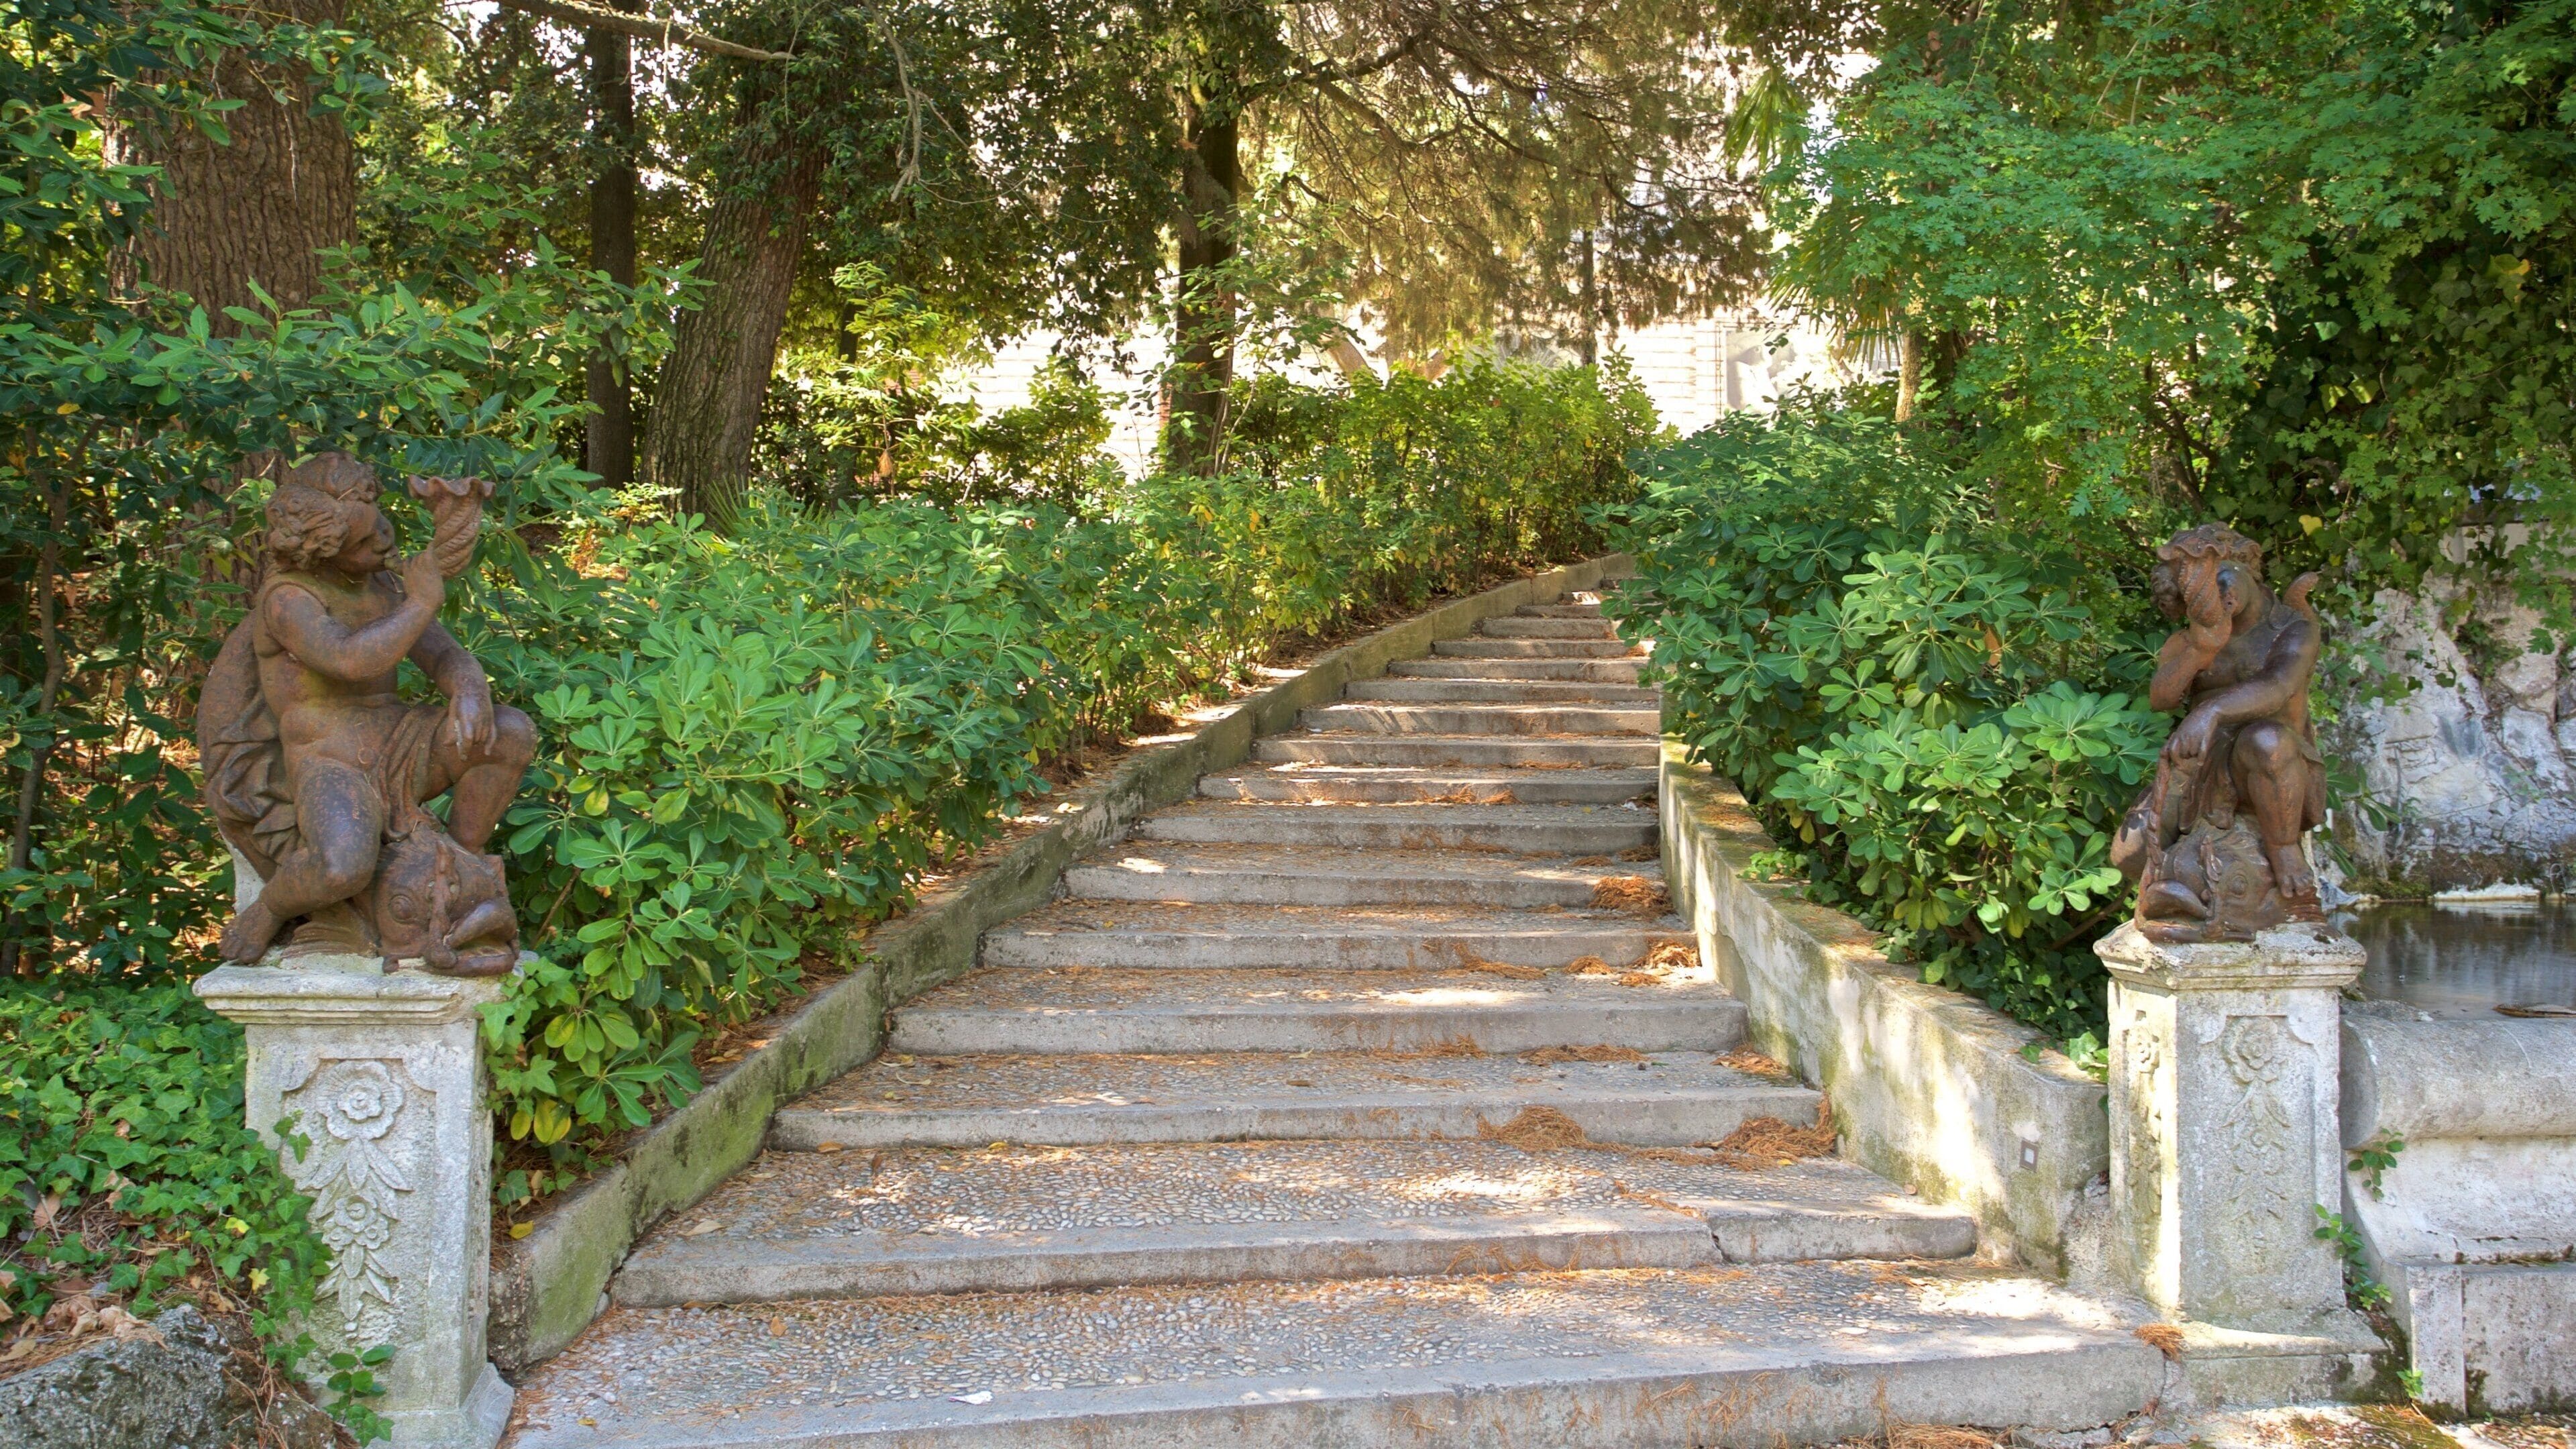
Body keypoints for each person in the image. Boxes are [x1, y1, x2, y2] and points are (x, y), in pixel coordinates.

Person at [199, 452, 533, 965]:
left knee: (509, 732)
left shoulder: (382, 586)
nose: (381, 540)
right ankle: (271, 908)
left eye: (382, 524)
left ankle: (461, 863)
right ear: (324, 551)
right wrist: (421, 603)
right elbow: (350, 660)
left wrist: (468, 686)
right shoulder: (289, 599)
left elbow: (440, 652)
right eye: (362, 541)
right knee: (342, 868)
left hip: (401, 743)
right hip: (330, 764)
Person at [2111, 524, 2328, 941]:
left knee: (2265, 740)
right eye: (2200, 593)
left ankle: (2284, 852)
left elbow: (2279, 687)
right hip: (2204, 762)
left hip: (2272, 761)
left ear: (2246, 566)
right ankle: (2189, 895)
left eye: (2222, 580)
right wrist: (2202, 648)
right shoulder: (2194, 634)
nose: (2217, 597)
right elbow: (2162, 697)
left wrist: (2211, 710)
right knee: (2130, 854)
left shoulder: (2291, 628)